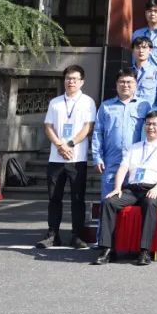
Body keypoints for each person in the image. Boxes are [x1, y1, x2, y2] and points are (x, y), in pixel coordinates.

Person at [93, 110, 157, 266]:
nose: (151, 127)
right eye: (148, 124)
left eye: (154, 124)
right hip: (132, 189)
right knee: (109, 202)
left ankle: (144, 251)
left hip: (154, 188)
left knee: (150, 203)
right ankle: (107, 250)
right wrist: (117, 188)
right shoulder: (135, 147)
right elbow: (123, 168)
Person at [38, 65, 98, 249]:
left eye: (75, 79)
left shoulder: (88, 102)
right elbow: (48, 126)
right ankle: (52, 234)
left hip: (76, 158)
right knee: (54, 198)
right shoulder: (55, 102)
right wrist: (59, 145)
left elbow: (88, 127)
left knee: (77, 199)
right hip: (56, 158)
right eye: (68, 78)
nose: (71, 82)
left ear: (82, 82)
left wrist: (69, 144)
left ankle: (76, 235)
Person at [91, 68, 151, 237]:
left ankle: (129, 240)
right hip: (112, 161)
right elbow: (98, 133)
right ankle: (103, 241)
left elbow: (149, 133)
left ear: (136, 85)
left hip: (136, 163)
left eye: (129, 82)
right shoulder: (106, 106)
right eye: (122, 82)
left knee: (135, 203)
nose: (126, 85)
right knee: (108, 200)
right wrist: (97, 157)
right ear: (116, 84)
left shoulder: (144, 106)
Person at [131, 36, 157, 104]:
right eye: (137, 48)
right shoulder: (128, 72)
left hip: (150, 110)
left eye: (144, 47)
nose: (141, 51)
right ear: (133, 51)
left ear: (150, 50)